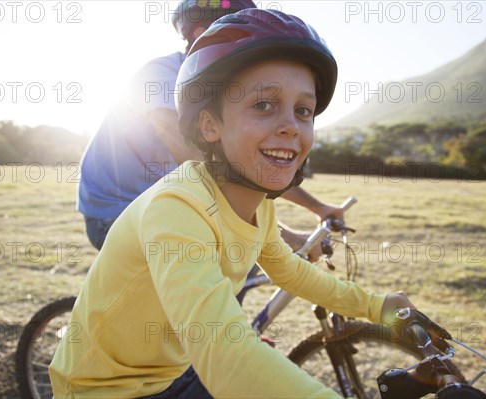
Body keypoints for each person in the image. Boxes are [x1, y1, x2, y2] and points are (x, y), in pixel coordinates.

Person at [49, 9, 436, 398]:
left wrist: (377, 304)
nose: (290, 126)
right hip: (101, 389)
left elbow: (291, 272)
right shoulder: (176, 208)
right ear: (209, 126)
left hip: (170, 373)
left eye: (303, 110)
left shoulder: (259, 208)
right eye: (264, 105)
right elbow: (227, 361)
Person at [77, 0, 346, 260]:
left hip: (165, 199)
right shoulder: (162, 74)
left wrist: (317, 207)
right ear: (199, 33)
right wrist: (282, 235)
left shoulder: (221, 85)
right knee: (230, 258)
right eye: (236, 32)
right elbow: (201, 157)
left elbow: (251, 160)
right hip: (117, 210)